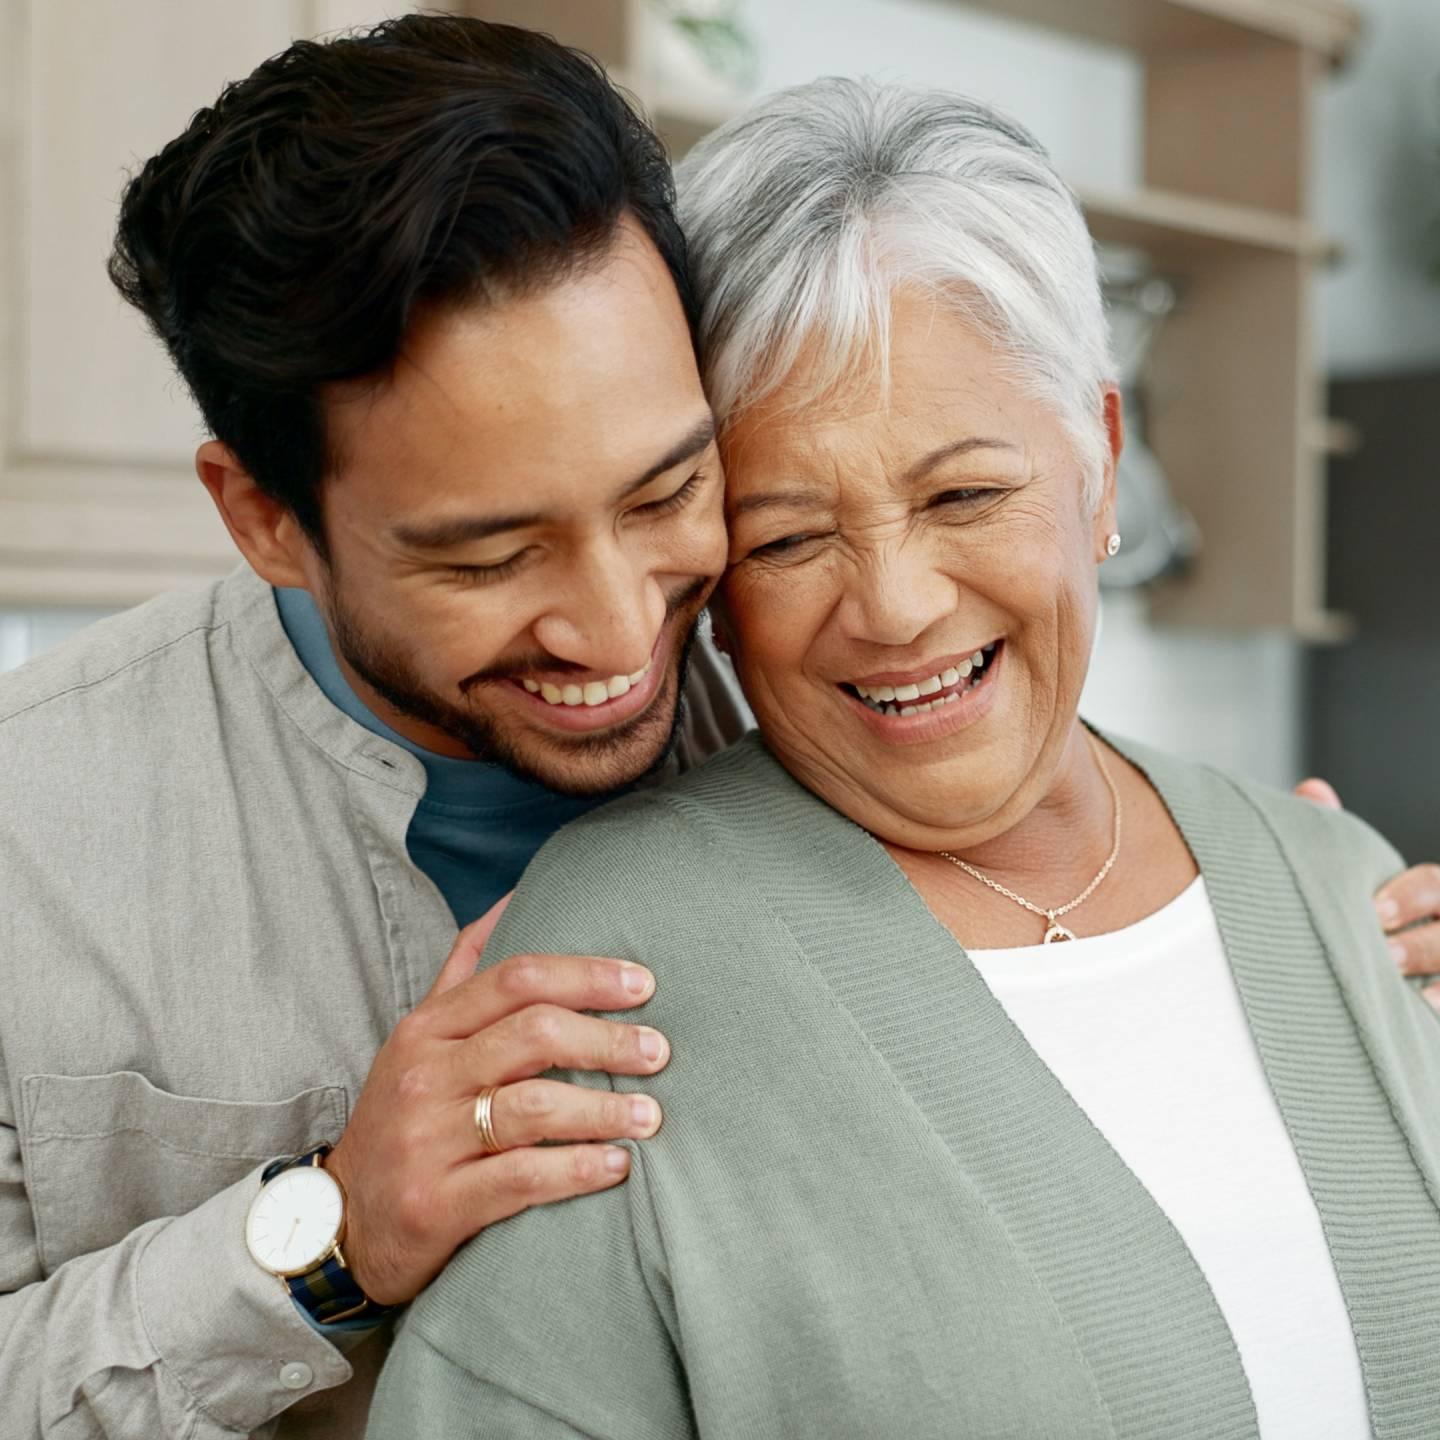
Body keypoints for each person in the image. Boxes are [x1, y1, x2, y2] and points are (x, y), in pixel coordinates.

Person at [366, 80, 1440, 1439]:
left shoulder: (1344, 882)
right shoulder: (615, 965)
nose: (895, 606)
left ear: (1100, 466)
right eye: (789, 536)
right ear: (712, 578)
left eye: (965, 494)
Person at [0, 17, 750, 1439]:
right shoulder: (22, 838)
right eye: (490, 557)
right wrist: (327, 1238)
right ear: (265, 519)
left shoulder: (819, 718)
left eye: (667, 494)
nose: (616, 632)